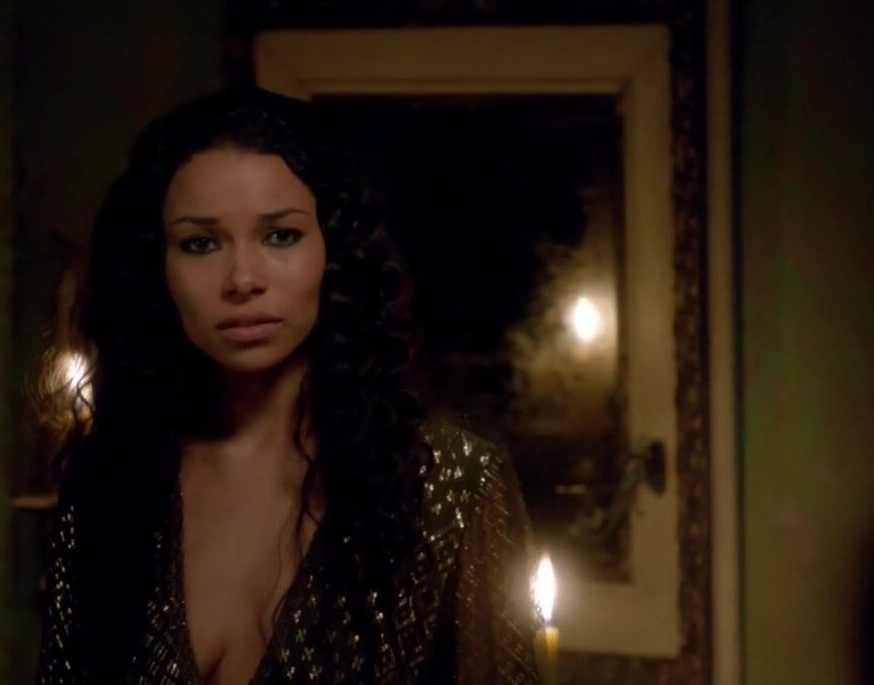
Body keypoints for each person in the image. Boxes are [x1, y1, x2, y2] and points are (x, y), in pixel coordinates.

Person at [36, 87, 541, 684]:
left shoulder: (448, 479)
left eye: (280, 235)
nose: (242, 279)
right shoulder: (108, 482)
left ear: (334, 250)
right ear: (157, 267)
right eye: (200, 243)